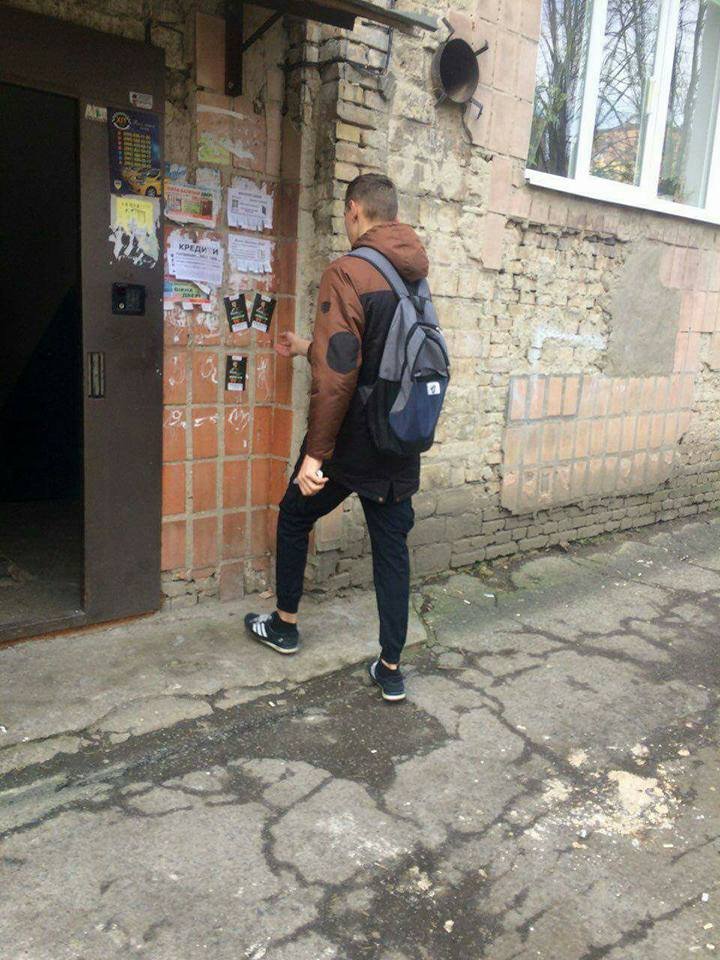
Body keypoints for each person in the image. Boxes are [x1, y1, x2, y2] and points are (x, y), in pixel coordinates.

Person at [245, 174, 430, 703]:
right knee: (391, 551)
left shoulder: (348, 271)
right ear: (392, 215)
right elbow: (375, 351)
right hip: (400, 435)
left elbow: (339, 375)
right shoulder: (414, 275)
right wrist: (308, 345)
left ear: (353, 211)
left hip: (351, 442)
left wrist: (315, 455)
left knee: (294, 513)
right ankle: (391, 669)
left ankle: (284, 625)